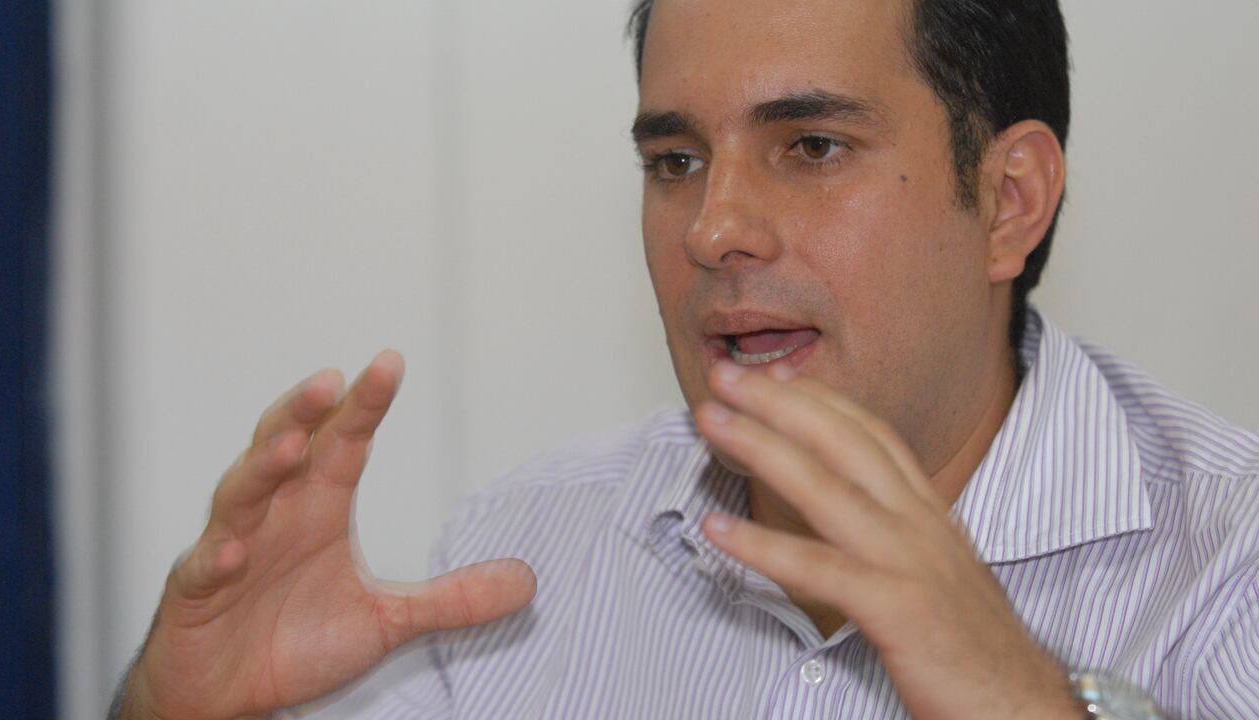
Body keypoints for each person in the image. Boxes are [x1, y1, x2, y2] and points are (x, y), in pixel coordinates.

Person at [112, 0, 1259, 718]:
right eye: (673, 161)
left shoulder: (1228, 567)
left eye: (810, 146)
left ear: (1007, 201)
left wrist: (1019, 702)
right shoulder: (520, 562)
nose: (713, 230)